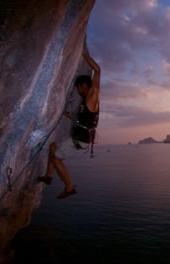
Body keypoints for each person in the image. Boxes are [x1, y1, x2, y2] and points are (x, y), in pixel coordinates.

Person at [38, 44, 100, 199]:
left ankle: (69, 187)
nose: (78, 91)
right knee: (53, 148)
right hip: (78, 137)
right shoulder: (85, 103)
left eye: (79, 87)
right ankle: (48, 176)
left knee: (56, 158)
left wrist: (85, 54)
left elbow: (98, 71)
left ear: (84, 86)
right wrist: (62, 113)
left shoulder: (92, 98)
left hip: (80, 139)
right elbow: (78, 118)